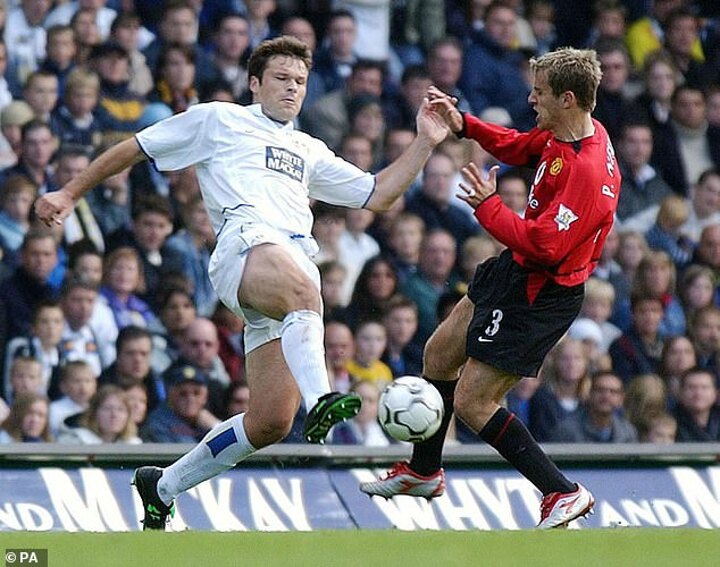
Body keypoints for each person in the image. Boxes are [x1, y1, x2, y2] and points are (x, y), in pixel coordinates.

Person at [35, 35, 448, 530]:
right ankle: (322, 398)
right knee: (306, 294)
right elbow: (135, 147)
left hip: (286, 272)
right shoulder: (219, 119)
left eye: (300, 81)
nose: (292, 88)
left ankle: (162, 486)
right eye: (281, 78)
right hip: (245, 247)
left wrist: (425, 142)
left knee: (270, 421)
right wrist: (69, 192)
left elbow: (378, 194)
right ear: (254, 83)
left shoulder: (308, 148)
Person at [361, 47, 620, 529]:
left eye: (540, 92)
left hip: (541, 292)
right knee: (439, 354)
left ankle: (562, 491)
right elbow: (521, 146)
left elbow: (547, 247)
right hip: (515, 269)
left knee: (474, 402)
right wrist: (464, 124)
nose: (531, 99)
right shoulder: (571, 132)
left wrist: (488, 206)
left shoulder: (586, 173)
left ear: (567, 98)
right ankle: (424, 470)